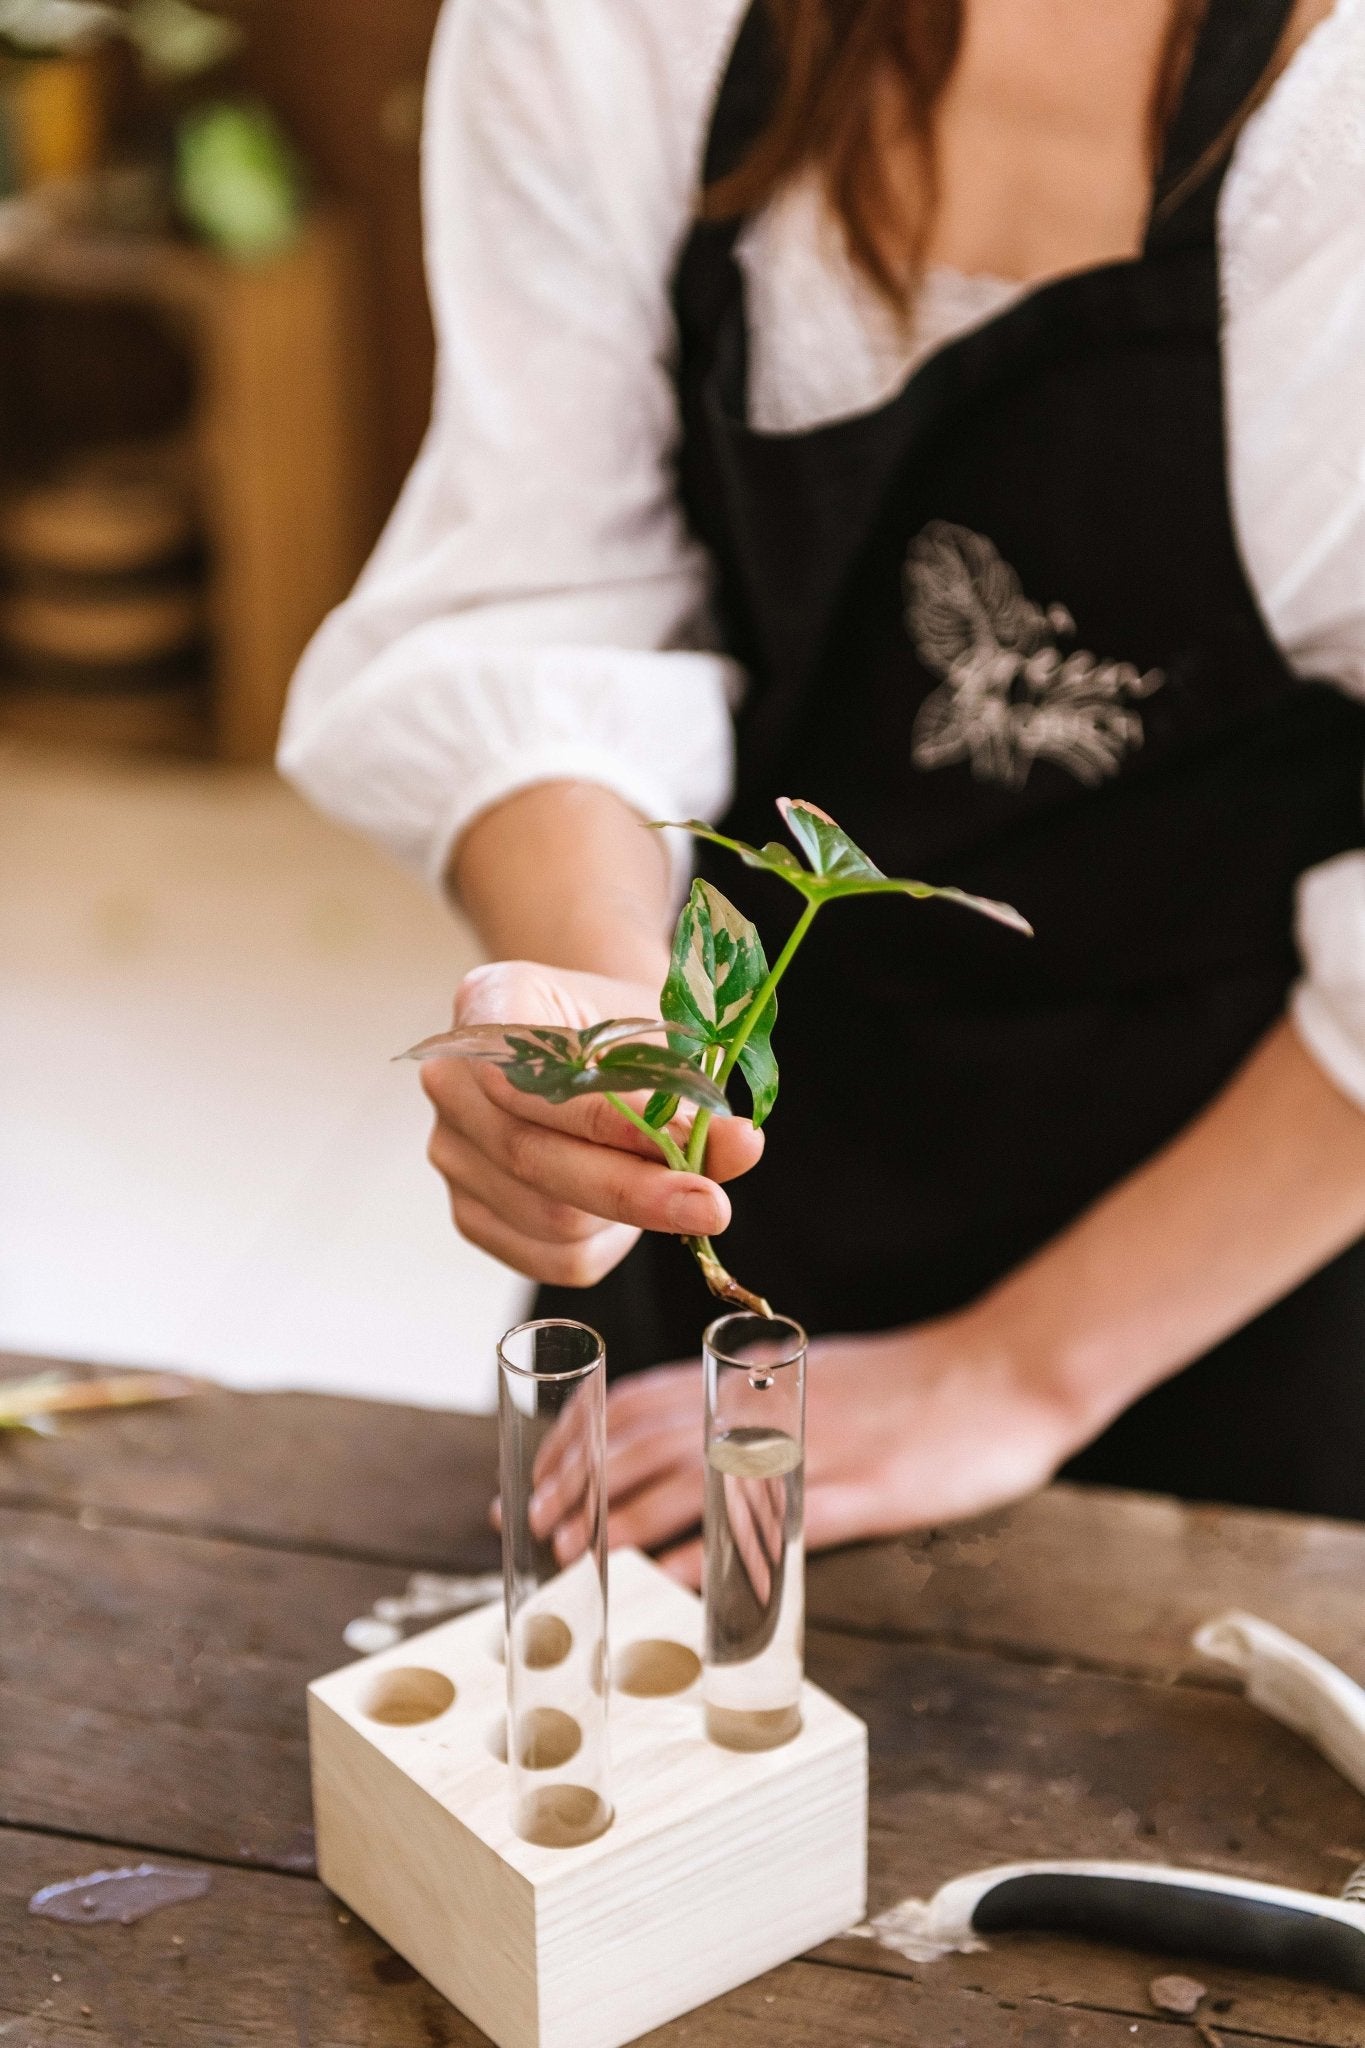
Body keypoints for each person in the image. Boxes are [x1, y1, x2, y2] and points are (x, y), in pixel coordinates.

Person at [280, 0, 1365, 1581]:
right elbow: (544, 586)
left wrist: (1019, 1368)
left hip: (1243, 1234)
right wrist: (604, 1031)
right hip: (745, 1184)